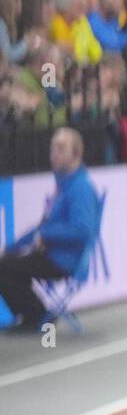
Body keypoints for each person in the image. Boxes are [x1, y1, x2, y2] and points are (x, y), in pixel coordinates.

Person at [0, 127, 102, 331]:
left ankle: (36, 315)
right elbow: (42, 227)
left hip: (64, 259)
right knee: (8, 262)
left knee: (5, 267)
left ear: (76, 153)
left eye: (61, 148)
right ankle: (36, 314)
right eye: (53, 148)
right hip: (53, 255)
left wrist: (45, 235)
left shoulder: (80, 188)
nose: (54, 154)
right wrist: (11, 247)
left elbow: (83, 230)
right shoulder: (65, 186)